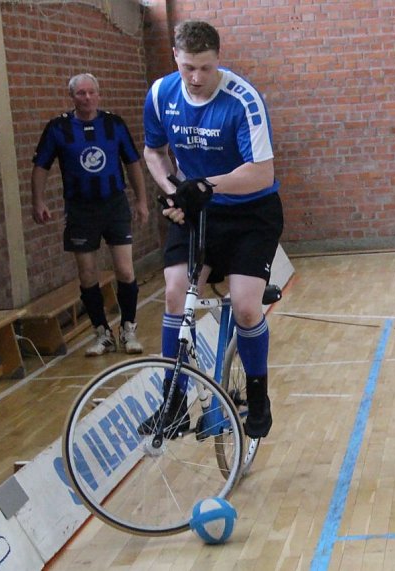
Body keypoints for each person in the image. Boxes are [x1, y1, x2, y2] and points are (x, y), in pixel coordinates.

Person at [143, 20, 284, 439]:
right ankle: (173, 404)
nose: (196, 77)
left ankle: (258, 395)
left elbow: (262, 173)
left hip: (249, 213)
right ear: (175, 58)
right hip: (199, 211)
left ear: (217, 60)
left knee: (244, 306)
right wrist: (174, 194)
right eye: (188, 67)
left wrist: (204, 186)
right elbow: (153, 152)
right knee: (174, 293)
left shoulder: (243, 100)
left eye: (205, 68)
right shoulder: (160, 94)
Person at [32, 73, 149, 357]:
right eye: (80, 94)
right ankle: (102, 332)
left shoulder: (114, 124)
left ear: (98, 94)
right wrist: (38, 201)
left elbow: (132, 163)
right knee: (87, 272)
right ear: (71, 97)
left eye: (90, 93)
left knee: (124, 269)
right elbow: (41, 166)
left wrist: (142, 200)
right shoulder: (58, 128)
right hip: (80, 210)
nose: (86, 98)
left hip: (114, 204)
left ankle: (128, 329)